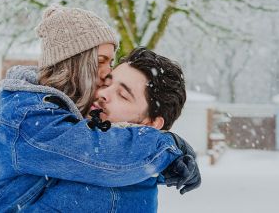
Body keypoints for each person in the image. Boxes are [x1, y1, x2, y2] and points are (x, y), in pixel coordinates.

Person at [0, 5, 199, 212]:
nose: (104, 91)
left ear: (152, 124)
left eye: (122, 94)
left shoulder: (117, 183)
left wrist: (165, 151)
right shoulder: (32, 117)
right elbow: (96, 153)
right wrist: (167, 147)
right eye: (103, 71)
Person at [23, 47, 199, 212]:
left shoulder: (105, 195)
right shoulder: (94, 159)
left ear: (151, 123)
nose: (102, 94)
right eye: (106, 84)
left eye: (123, 95)